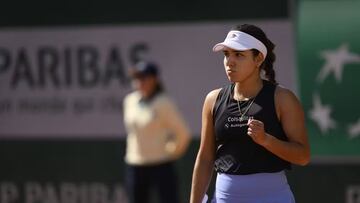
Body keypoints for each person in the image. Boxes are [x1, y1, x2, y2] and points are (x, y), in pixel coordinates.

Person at [190, 24, 310, 203]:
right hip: (225, 197)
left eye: (239, 55)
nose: (230, 62)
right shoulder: (212, 99)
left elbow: (303, 156)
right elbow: (206, 157)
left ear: (258, 59)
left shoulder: (283, 98)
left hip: (273, 197)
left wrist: (266, 140)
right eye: (226, 54)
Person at [123, 61, 191, 203]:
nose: (139, 82)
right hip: (136, 164)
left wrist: (172, 151)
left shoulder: (164, 103)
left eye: (144, 78)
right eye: (137, 78)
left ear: (154, 80)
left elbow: (183, 133)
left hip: (161, 165)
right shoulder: (129, 101)